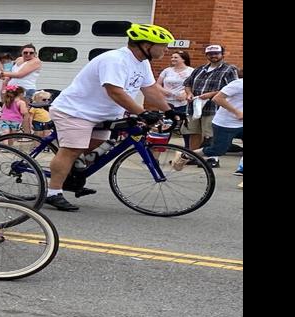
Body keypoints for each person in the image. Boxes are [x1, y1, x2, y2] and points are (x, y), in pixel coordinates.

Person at [41, 22, 174, 211]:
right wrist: (142, 113)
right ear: (146, 45)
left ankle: (72, 172)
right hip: (76, 111)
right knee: (72, 149)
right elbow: (115, 91)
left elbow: (150, 89)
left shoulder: (142, 62)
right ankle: (53, 192)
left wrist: (169, 110)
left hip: (102, 114)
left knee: (92, 147)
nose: (166, 50)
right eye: (163, 45)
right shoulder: (115, 60)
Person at [183, 44, 237, 156]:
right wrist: (189, 93)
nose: (213, 56)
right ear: (206, 55)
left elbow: (233, 89)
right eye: (210, 54)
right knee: (194, 132)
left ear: (222, 54)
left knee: (211, 134)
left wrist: (211, 95)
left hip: (214, 107)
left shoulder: (229, 70)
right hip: (195, 106)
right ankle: (193, 157)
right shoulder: (199, 69)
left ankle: (212, 158)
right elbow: (187, 83)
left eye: (216, 53)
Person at [200, 76, 241, 168]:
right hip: (226, 124)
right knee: (217, 150)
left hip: (241, 124)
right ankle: (185, 155)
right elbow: (217, 98)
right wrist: (237, 112)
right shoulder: (239, 84)